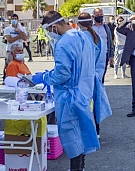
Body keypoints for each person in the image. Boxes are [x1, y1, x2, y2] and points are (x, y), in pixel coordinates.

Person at [32, 11, 99, 171]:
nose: (49, 36)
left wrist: (44, 77)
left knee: (71, 134)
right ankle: (80, 167)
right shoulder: (83, 37)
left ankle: (76, 168)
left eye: (48, 32)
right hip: (84, 92)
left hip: (69, 97)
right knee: (80, 133)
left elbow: (62, 74)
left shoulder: (63, 44)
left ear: (54, 27)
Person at [77, 12, 112, 139]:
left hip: (82, 79)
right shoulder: (99, 39)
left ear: (79, 24)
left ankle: (86, 133)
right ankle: (96, 131)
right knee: (94, 104)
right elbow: (102, 61)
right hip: (95, 76)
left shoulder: (80, 38)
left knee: (83, 106)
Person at [2, 13, 27, 82]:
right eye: (13, 19)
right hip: (10, 50)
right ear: (10, 20)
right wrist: (19, 36)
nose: (14, 20)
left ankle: (20, 78)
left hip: (19, 50)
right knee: (9, 65)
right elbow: (9, 40)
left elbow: (25, 38)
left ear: (18, 20)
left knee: (20, 65)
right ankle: (6, 78)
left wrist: (20, 31)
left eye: (15, 19)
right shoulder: (8, 29)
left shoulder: (22, 29)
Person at [92, 8, 114, 83]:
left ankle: (100, 91)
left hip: (104, 54)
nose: (99, 16)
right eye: (97, 15)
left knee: (102, 76)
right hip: (93, 55)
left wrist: (111, 55)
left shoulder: (106, 27)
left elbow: (110, 41)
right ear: (93, 16)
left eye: (101, 15)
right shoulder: (91, 27)